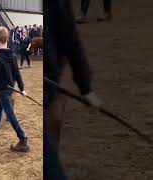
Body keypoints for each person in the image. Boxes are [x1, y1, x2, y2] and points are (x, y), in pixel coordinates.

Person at [45, 0, 103, 179]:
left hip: (47, 86)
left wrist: (85, 87)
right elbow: (71, 39)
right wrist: (85, 88)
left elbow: (70, 38)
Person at [0, 26, 29, 152]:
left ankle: (22, 139)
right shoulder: (13, 56)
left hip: (3, 90)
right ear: (7, 39)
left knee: (9, 113)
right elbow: (17, 74)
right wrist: (21, 88)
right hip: (9, 88)